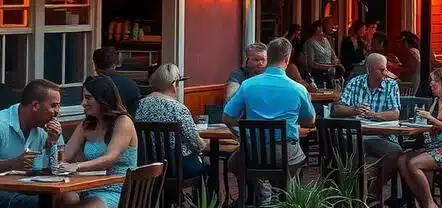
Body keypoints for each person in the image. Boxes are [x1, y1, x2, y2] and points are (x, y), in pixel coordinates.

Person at [223, 37, 316, 198]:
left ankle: (257, 194)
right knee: (295, 161)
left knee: (236, 162)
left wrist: (243, 134)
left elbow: (227, 117)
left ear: (268, 59)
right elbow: (310, 121)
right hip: (286, 153)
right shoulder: (298, 89)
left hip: (253, 153)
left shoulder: (247, 85)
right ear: (287, 59)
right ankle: (287, 197)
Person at [57, 76, 138, 208]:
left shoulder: (123, 122)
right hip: (87, 187)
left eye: (88, 98)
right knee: (62, 199)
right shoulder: (87, 124)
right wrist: (53, 140)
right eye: (83, 98)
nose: (83, 103)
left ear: (103, 99)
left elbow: (110, 158)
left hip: (116, 190)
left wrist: (77, 166)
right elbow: (66, 155)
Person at [134, 64, 213, 191]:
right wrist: (206, 144)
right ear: (173, 85)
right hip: (177, 166)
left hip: (149, 165)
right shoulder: (178, 109)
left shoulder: (139, 106)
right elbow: (196, 144)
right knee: (210, 168)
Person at [398, 68, 442, 208]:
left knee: (414, 164)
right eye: (431, 81)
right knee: (401, 160)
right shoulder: (438, 100)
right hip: (438, 146)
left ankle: (429, 204)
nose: (431, 84)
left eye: (435, 81)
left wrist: (431, 118)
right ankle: (420, 200)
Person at [333, 53, 402, 196]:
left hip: (381, 136)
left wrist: (374, 115)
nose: (385, 73)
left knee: (396, 153)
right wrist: (354, 109)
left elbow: (395, 113)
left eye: (385, 69)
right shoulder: (355, 82)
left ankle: (371, 192)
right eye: (381, 70)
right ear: (369, 69)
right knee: (353, 152)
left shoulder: (391, 85)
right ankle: (353, 193)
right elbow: (337, 109)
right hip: (356, 135)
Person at [0, 79, 63, 207]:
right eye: (53, 106)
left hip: (31, 188)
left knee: (67, 199)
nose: (57, 112)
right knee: (38, 204)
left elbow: (55, 170)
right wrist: (12, 164)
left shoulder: (48, 128)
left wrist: (52, 142)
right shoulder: (2, 124)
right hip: (4, 191)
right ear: (35, 106)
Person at [91, 48, 139, 116]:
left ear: (95, 65)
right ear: (114, 64)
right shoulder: (132, 85)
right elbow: (136, 112)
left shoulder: (91, 85)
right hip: (125, 124)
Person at [302, 20, 339, 87]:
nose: (322, 29)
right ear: (316, 29)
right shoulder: (310, 42)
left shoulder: (326, 40)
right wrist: (327, 67)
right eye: (320, 27)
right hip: (318, 75)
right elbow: (311, 63)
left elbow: (334, 56)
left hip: (330, 75)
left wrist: (335, 61)